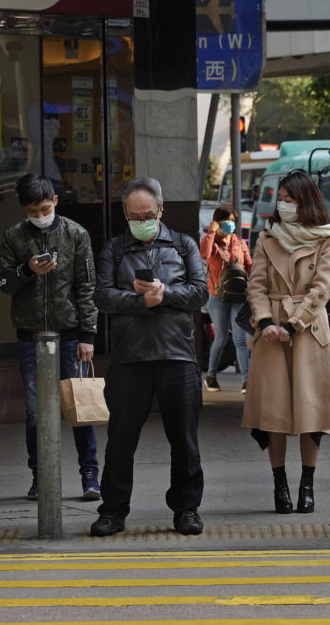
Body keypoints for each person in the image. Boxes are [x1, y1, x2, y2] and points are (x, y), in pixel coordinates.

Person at [90, 177, 208, 537]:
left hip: (178, 356)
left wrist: (165, 293)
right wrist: (140, 302)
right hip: (130, 358)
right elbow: (103, 296)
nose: (141, 219)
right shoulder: (114, 249)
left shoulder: (184, 245)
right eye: (133, 215)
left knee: (184, 438)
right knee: (121, 439)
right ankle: (112, 509)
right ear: (125, 214)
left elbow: (201, 291)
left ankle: (186, 509)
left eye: (147, 213)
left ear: (161, 210)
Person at [241, 170, 330, 514]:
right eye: (282, 199)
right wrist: (265, 322)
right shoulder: (266, 237)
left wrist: (294, 322)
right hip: (270, 331)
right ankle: (279, 484)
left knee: (310, 412)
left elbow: (323, 287)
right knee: (272, 412)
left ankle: (307, 484)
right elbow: (255, 285)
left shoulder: (328, 238)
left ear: (306, 201)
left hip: (308, 332)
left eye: (291, 199)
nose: (284, 205)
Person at [0, 173, 100, 502]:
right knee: (34, 410)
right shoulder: (14, 236)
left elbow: (87, 287)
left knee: (78, 404)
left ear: (55, 200)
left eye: (44, 208)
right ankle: (40, 474)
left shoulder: (76, 234)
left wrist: (88, 335)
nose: (40, 216)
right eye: (32, 210)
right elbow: (3, 281)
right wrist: (27, 270)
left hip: (70, 333)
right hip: (30, 335)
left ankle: (89, 473)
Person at [199, 203, 252, 393]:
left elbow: (249, 266)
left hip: (238, 296)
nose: (229, 224)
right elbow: (203, 254)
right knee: (220, 338)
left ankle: (247, 381)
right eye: (225, 220)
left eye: (232, 221)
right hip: (217, 297)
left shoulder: (240, 243)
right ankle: (211, 376)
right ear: (216, 221)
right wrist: (211, 233)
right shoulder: (212, 243)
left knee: (240, 339)